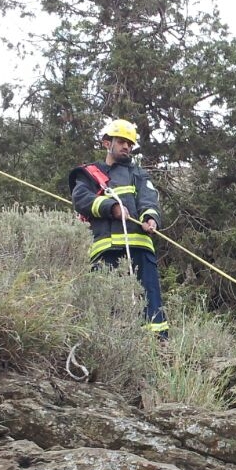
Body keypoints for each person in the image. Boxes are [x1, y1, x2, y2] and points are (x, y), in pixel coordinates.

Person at [68, 118, 168, 338]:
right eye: (122, 141)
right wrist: (111, 207)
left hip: (138, 246)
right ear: (107, 143)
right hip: (105, 250)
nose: (126, 147)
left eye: (130, 144)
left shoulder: (138, 174)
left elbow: (148, 199)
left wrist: (150, 218)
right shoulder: (89, 174)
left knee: (150, 302)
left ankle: (160, 351)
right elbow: (81, 198)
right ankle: (110, 351)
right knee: (105, 304)